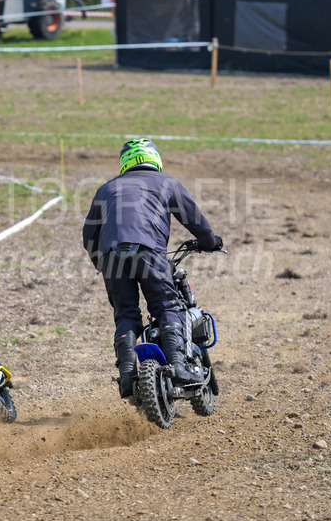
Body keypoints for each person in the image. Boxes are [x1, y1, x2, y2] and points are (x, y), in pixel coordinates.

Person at [81, 139, 224, 400]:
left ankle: (126, 375)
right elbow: (195, 220)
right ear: (155, 159)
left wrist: (98, 260)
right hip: (149, 251)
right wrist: (210, 242)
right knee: (166, 307)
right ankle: (179, 367)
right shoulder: (168, 182)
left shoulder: (106, 188)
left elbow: (89, 233)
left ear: (125, 163)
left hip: (111, 255)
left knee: (125, 313)